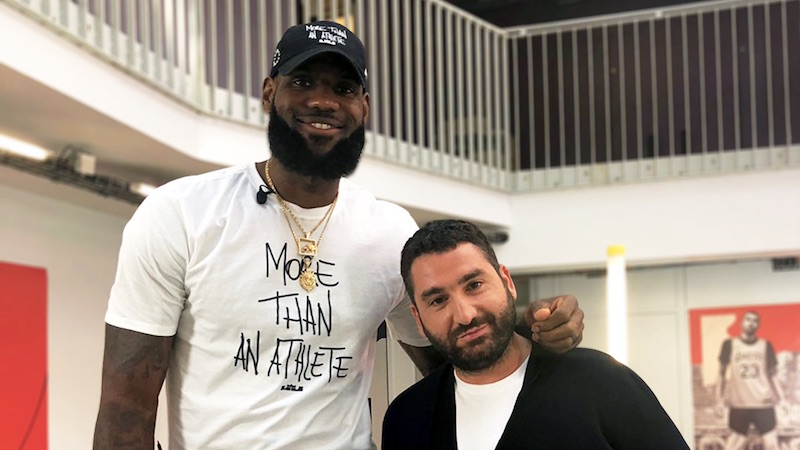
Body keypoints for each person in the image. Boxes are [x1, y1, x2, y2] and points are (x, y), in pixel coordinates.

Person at [92, 21, 585, 450]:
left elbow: (451, 362)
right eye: (302, 81)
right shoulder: (181, 213)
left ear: (363, 107)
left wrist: (531, 331)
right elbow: (125, 406)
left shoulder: (389, 234)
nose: (322, 101)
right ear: (269, 93)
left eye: (344, 88)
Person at [383, 219, 689, 450]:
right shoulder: (407, 418)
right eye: (438, 300)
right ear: (418, 318)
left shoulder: (600, 382)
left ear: (507, 282)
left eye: (474, 285)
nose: (465, 314)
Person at [716, 311, 785, 450]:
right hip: (739, 404)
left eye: (755, 320)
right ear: (741, 323)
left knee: (771, 444)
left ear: (758, 325)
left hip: (763, 402)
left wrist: (782, 399)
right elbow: (721, 375)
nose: (751, 323)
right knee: (734, 445)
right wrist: (718, 401)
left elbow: (773, 375)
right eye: (748, 319)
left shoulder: (766, 345)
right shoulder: (729, 344)